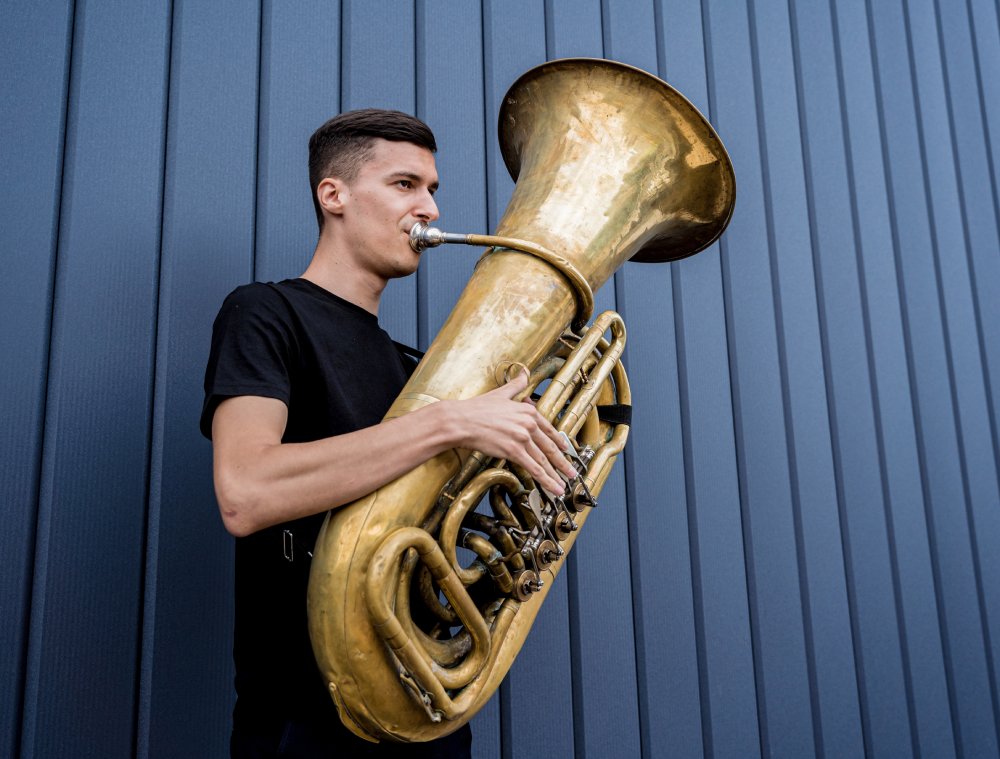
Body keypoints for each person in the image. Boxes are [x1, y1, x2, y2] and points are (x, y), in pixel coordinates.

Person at [200, 109, 576, 758]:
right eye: (405, 184)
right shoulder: (266, 313)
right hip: (305, 724)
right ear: (334, 195)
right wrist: (448, 423)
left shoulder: (413, 371)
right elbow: (245, 491)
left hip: (427, 716)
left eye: (432, 190)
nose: (429, 208)